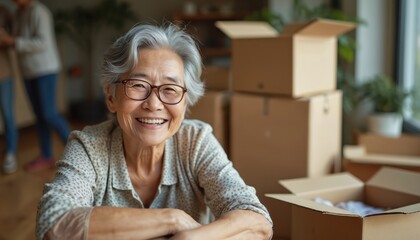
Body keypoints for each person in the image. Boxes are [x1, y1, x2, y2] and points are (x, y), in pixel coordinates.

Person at [36, 23, 273, 240]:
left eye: (170, 89)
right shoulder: (90, 147)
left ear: (185, 101)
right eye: (139, 85)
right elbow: (53, 224)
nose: (154, 104)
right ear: (111, 97)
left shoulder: (195, 141)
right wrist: (172, 220)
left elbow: (257, 222)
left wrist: (192, 238)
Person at [0, 0, 71, 172]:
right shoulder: (17, 13)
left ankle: (78, 153)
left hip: (45, 69)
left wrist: (12, 41)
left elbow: (42, 42)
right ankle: (46, 156)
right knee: (39, 116)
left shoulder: (40, 12)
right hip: (28, 72)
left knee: (49, 114)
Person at [0, 4, 18, 174]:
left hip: (3, 73)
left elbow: (17, 39)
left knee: (7, 113)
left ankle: (10, 153)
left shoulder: (5, 12)